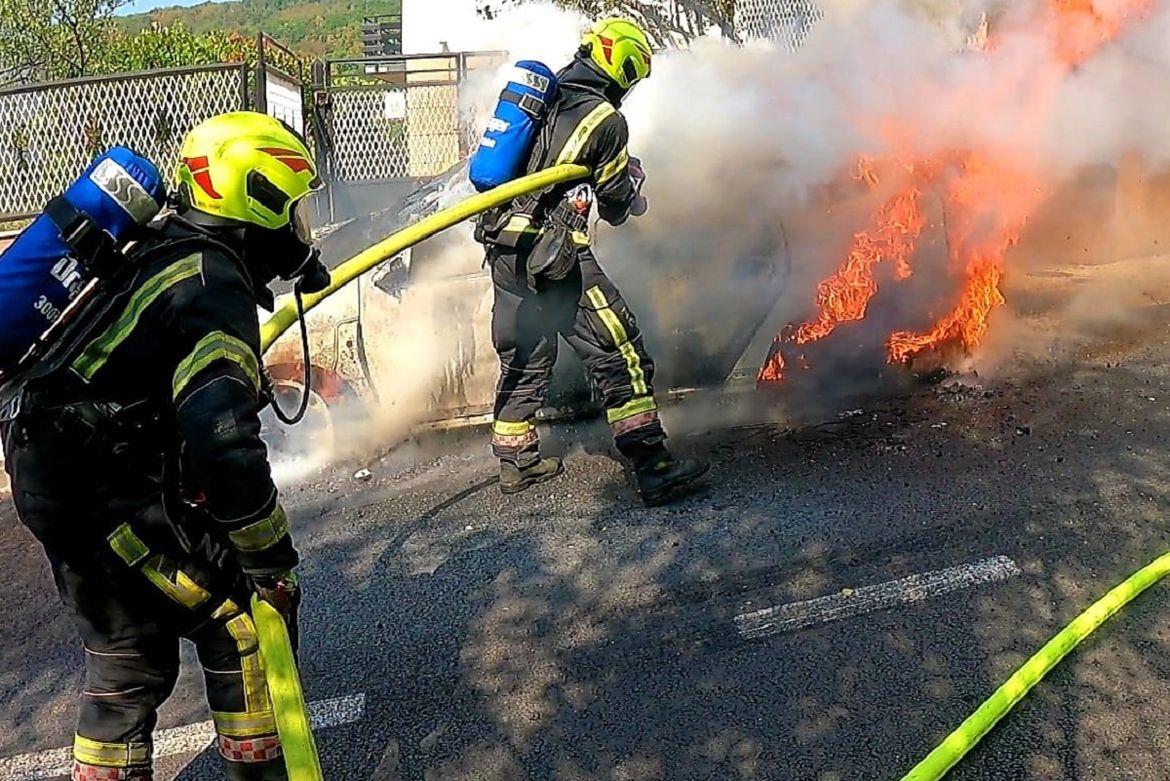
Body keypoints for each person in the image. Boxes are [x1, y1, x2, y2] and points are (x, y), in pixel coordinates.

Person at [0, 111, 326, 780]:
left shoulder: (166, 249)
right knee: (240, 616)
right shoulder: (211, 282)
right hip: (98, 486)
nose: (300, 228)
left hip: (51, 465)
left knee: (127, 650)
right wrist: (269, 560)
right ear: (256, 197)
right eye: (293, 208)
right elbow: (225, 438)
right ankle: (264, 772)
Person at [475, 17, 710, 506]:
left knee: (526, 353)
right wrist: (631, 187)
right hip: (556, 256)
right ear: (622, 69)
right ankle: (654, 465)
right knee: (617, 349)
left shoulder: (544, 100)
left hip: (504, 252)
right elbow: (616, 204)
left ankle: (516, 461)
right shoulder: (604, 119)